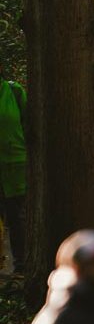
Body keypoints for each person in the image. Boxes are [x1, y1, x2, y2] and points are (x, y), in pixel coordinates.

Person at [0, 74, 25, 268]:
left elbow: (29, 125)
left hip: (16, 166)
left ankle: (21, 263)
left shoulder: (13, 91)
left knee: (18, 219)